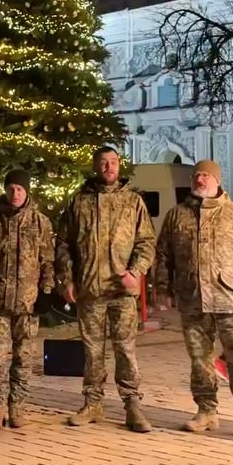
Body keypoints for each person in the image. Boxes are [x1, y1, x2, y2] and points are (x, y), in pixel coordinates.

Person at [155, 159, 233, 440]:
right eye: (196, 175)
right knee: (199, 360)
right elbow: (163, 254)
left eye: (206, 176)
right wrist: (163, 288)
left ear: (217, 180)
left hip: (232, 299)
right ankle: (206, 411)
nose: (200, 180)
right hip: (193, 299)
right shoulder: (176, 216)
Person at [55, 145, 156, 432]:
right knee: (92, 351)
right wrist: (68, 279)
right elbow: (63, 244)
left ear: (119, 165)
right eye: (103, 163)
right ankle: (93, 403)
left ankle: (132, 405)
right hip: (89, 291)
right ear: (95, 166)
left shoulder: (133, 202)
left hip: (121, 292)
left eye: (113, 162)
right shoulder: (79, 203)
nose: (109, 167)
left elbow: (146, 242)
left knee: (125, 350)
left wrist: (135, 272)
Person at [0, 169, 55, 430]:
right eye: (11, 189)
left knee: (23, 357)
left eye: (20, 189)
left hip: (27, 304)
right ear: (5, 190)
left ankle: (17, 406)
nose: (15, 193)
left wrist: (46, 291)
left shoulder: (40, 223)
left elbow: (48, 261)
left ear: (27, 191)